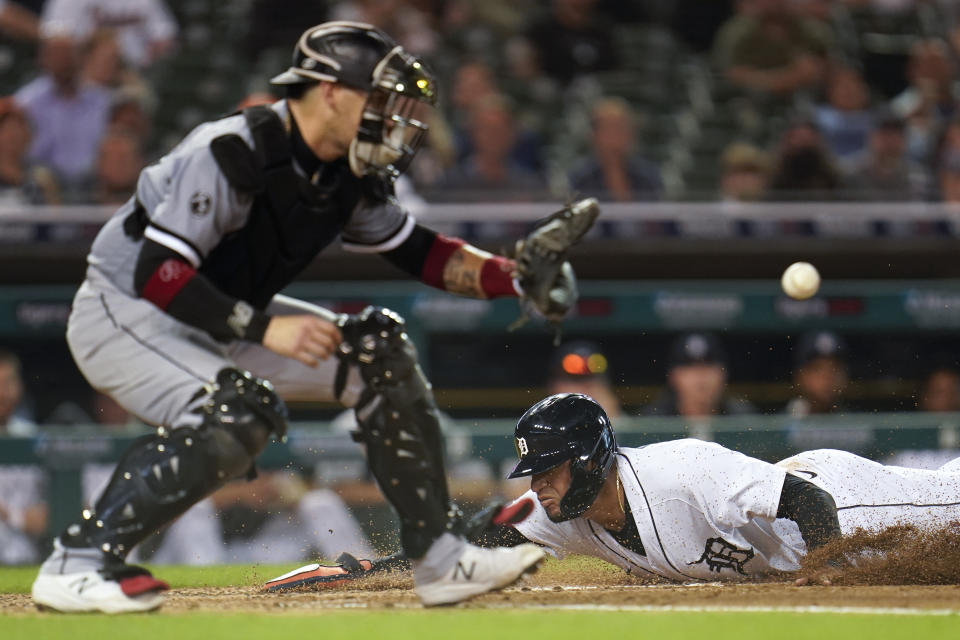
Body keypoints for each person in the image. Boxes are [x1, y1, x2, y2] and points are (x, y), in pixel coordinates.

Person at [30, 22, 568, 613]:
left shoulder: (347, 174)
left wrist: (512, 276)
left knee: (378, 354)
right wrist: (262, 328)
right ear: (331, 91)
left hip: (219, 316)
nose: (391, 117)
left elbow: (421, 251)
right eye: (378, 99)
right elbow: (158, 272)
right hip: (125, 309)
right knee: (236, 413)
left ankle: (440, 558)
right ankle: (77, 564)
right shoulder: (234, 151)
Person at [270, 393, 960, 587]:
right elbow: (481, 533)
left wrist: (828, 577)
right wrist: (370, 572)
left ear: (593, 459)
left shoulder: (682, 469)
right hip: (794, 526)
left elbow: (809, 507)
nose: (538, 484)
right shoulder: (563, 515)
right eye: (534, 473)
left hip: (850, 500)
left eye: (550, 468)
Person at [567, 97, 662, 203]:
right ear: (594, 135)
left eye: (621, 128)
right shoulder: (580, 177)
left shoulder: (648, 175)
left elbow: (659, 214)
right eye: (608, 128)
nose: (615, 136)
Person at [644, 332, 755, 423]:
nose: (701, 378)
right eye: (691, 368)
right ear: (673, 376)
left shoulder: (743, 420)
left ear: (724, 374)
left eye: (708, 367)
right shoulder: (653, 421)